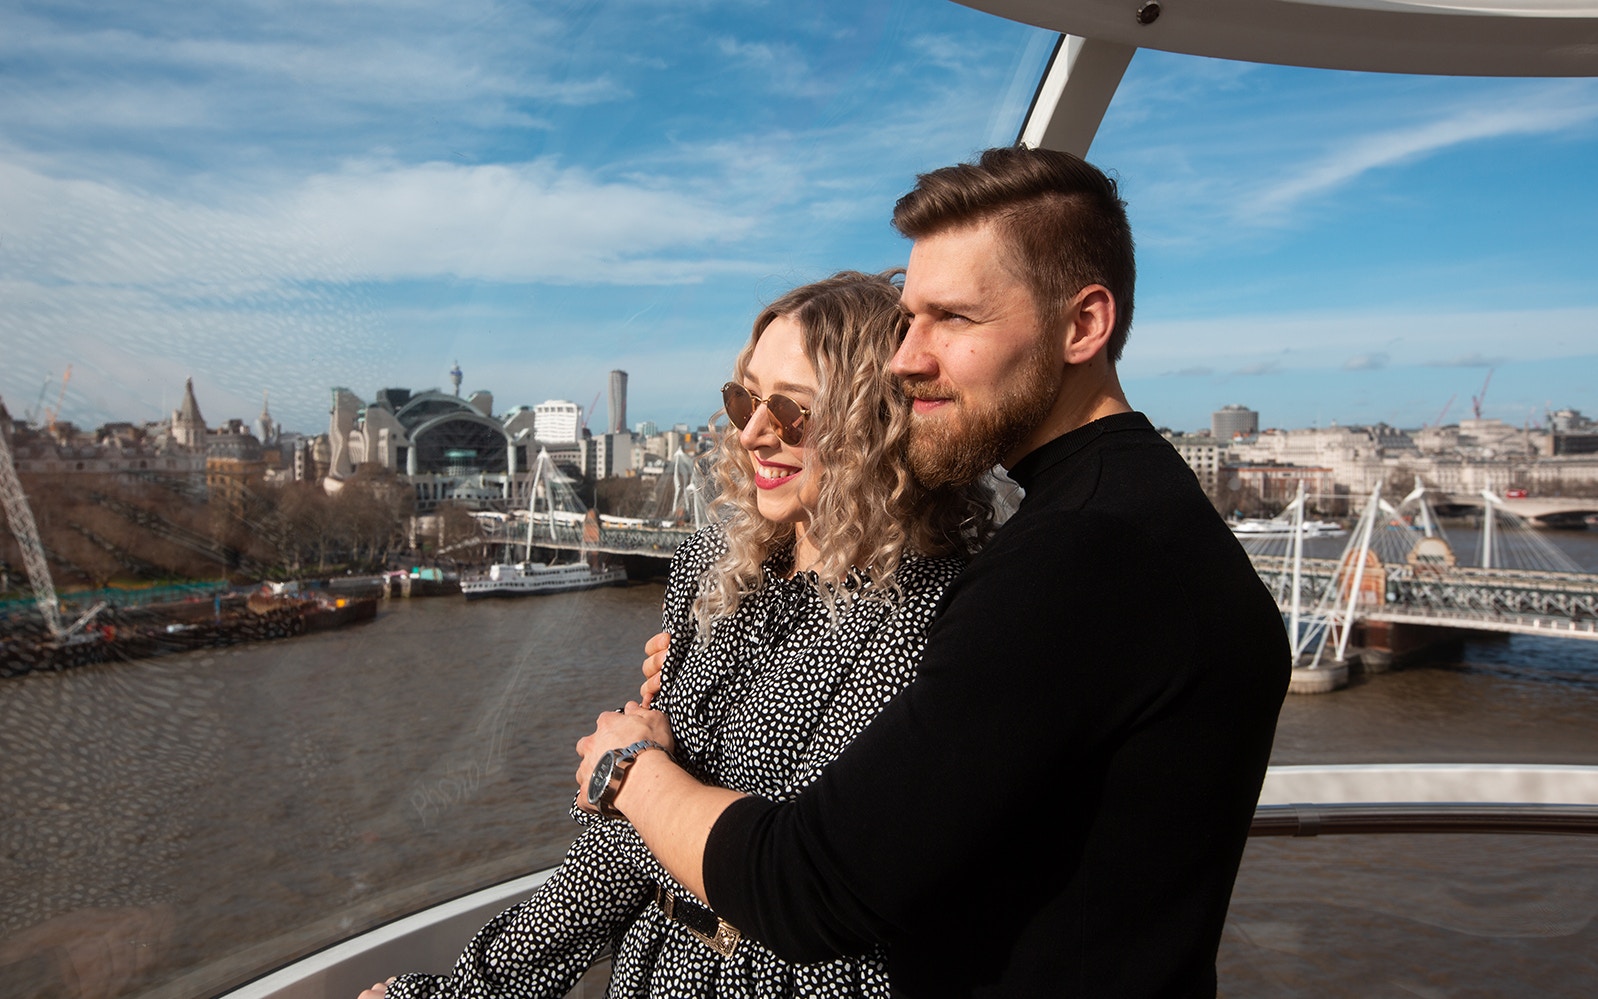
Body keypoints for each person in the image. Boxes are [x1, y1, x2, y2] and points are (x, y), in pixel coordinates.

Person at [575, 146, 1291, 997]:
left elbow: (811, 885)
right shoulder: (1131, 512)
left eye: (951, 318)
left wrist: (635, 769)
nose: (907, 358)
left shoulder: (1081, 555)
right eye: (909, 318)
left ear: (1082, 326)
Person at [363, 270, 993, 999]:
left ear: (876, 422)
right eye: (744, 398)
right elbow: (628, 845)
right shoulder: (714, 566)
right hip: (656, 970)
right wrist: (470, 989)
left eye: (791, 411)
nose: (753, 430)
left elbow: (805, 876)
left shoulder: (929, 617)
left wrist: (635, 772)